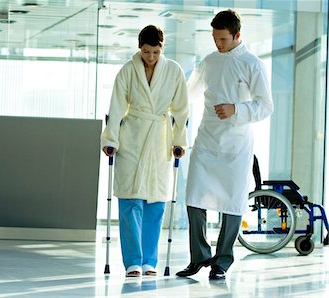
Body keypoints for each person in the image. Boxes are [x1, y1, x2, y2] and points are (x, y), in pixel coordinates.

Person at [175, 9, 274, 280]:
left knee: (231, 204)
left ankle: (222, 262)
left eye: (222, 39)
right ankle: (199, 257)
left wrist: (236, 110)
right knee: (194, 198)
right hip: (207, 142)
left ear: (237, 35)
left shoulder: (253, 64)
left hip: (236, 145)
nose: (217, 44)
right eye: (214, 38)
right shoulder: (209, 62)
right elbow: (187, 95)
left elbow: (266, 106)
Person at [101, 24, 189, 277]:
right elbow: (116, 107)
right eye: (146, 52)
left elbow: (181, 110)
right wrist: (111, 140)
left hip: (159, 139)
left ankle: (150, 260)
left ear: (162, 49)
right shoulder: (128, 71)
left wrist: (178, 142)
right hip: (132, 137)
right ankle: (132, 262)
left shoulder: (174, 71)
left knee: (156, 203)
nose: (150, 57)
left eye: (155, 52)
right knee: (130, 201)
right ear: (139, 48)